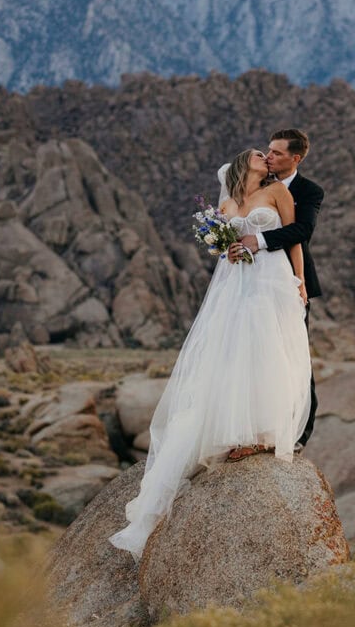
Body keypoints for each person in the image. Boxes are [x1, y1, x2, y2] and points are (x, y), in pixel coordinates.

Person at [109, 148, 311, 559]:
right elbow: (224, 248)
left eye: (268, 152)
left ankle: (263, 430)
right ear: (244, 164)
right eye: (258, 153)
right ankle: (234, 432)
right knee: (237, 351)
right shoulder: (227, 204)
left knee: (270, 348)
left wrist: (300, 281)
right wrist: (229, 248)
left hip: (272, 279)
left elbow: (295, 238)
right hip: (239, 284)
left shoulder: (278, 194)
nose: (265, 156)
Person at [233, 128, 324, 448]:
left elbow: (302, 230)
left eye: (276, 153)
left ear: (295, 158)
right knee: (253, 351)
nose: (268, 156)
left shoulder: (309, 190)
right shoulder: (257, 187)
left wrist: (258, 242)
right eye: (267, 151)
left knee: (294, 353)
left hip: (287, 282)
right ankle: (254, 423)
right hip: (250, 281)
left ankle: (299, 432)